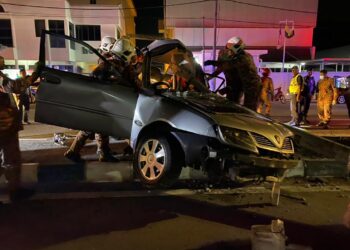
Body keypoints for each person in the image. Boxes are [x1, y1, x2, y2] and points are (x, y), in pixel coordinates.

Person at [64, 37, 136, 162]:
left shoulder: (113, 64)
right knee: (95, 127)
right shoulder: (110, 65)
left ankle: (79, 152)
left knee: (93, 128)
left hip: (101, 101)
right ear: (125, 53)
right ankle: (99, 153)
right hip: (101, 102)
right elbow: (96, 78)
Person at [0, 56, 39, 201]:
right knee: (11, 160)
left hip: (4, 125)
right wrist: (34, 75)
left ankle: (15, 190)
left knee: (9, 160)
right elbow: (14, 87)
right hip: (4, 126)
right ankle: (15, 192)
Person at [205, 36, 262, 110]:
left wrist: (212, 63)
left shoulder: (244, 57)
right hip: (236, 84)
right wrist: (209, 77)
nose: (229, 50)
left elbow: (228, 65)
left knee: (249, 108)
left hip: (251, 84)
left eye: (231, 48)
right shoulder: (227, 54)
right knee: (232, 104)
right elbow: (221, 68)